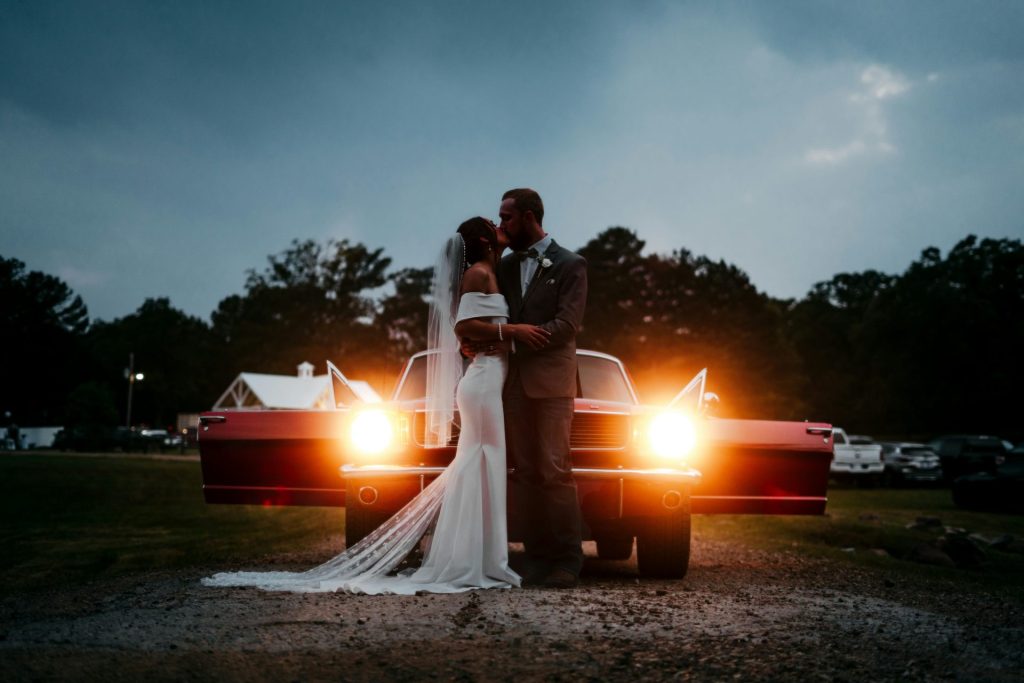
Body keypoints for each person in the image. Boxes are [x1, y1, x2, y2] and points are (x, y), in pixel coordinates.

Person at [202, 217, 549, 594]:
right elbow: (464, 330)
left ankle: (479, 558)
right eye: (494, 225)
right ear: (484, 240)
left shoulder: (494, 271)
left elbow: (476, 328)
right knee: (478, 463)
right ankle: (473, 563)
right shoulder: (478, 275)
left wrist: (503, 335)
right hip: (481, 384)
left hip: (490, 381)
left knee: (482, 465)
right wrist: (511, 332)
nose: (502, 227)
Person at [497, 188, 588, 589]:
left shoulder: (571, 264)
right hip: (512, 384)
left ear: (530, 217)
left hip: (552, 384)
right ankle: (534, 558)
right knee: (525, 472)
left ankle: (568, 560)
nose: (502, 225)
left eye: (507, 218)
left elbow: (568, 325)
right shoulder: (502, 266)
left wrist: (516, 338)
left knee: (555, 470)